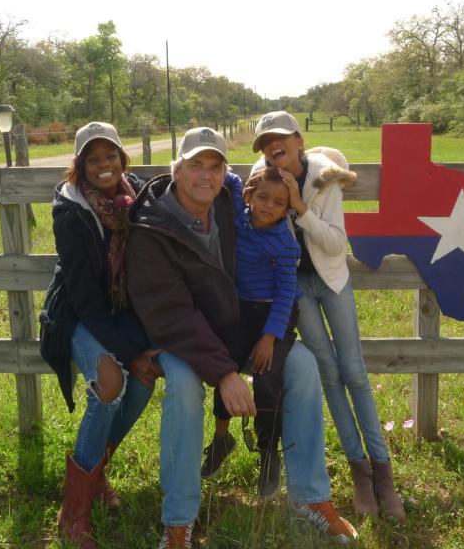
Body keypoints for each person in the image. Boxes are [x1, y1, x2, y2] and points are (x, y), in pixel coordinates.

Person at [126, 127, 358, 549]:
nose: (206, 176)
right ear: (176, 169)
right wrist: (226, 373)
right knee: (182, 384)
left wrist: (318, 162)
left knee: (304, 366)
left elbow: (278, 175)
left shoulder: (233, 205)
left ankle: (310, 497)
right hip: (186, 338)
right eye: (196, 165)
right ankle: (178, 520)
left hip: (244, 330)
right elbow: (172, 314)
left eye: (215, 167)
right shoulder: (152, 228)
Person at [250, 111, 407, 521]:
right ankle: (359, 470)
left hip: (332, 280)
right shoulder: (262, 179)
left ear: (299, 140)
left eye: (280, 138)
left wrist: (301, 207)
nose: (272, 146)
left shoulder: (326, 177)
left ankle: (383, 471)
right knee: (328, 374)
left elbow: (336, 245)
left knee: (354, 370)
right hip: (294, 287)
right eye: (265, 142)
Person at [39, 122, 163, 549]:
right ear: (81, 166)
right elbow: (85, 299)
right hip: (77, 313)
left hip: (124, 310)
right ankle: (73, 515)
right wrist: (130, 351)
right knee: (111, 382)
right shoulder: (71, 210)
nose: (104, 165)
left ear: (122, 159)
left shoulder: (140, 197)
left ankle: (93, 476)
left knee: (145, 380)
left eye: (110, 155)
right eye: (94, 159)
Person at [200, 166, 300, 500]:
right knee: (223, 363)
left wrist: (270, 337)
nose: (268, 206)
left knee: (268, 377)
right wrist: (212, 164)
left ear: (287, 209)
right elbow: (226, 176)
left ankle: (269, 454)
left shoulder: (284, 242)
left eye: (278, 202)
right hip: (241, 309)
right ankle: (221, 437)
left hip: (275, 314)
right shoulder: (239, 220)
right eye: (263, 197)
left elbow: (287, 293)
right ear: (249, 196)